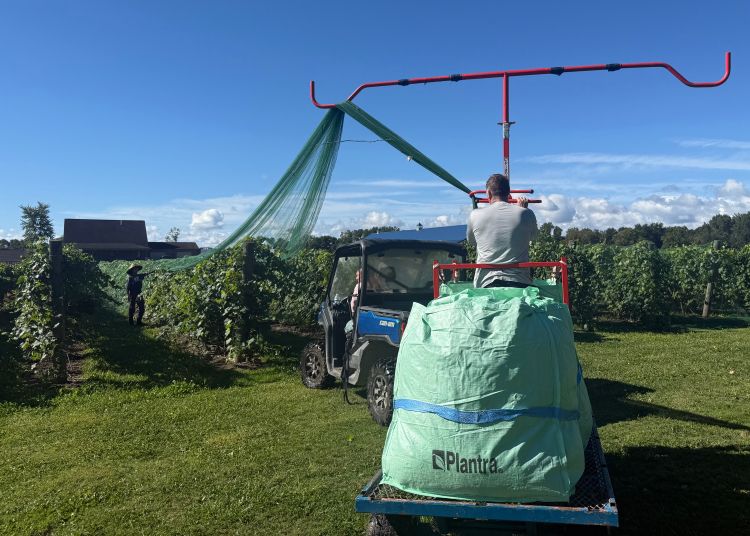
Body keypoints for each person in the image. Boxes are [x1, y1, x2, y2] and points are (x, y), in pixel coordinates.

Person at [467, 173, 538, 288]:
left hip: (486, 283)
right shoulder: (526, 214)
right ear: (508, 193)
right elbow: (533, 238)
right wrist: (522, 210)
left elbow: (472, 242)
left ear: (489, 193)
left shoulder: (474, 215)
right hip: (520, 282)